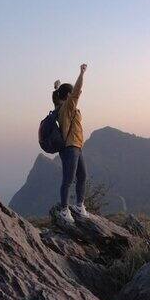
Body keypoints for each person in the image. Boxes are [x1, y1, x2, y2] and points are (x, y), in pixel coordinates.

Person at [53, 63, 89, 224]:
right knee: (68, 179)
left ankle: (79, 206)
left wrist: (57, 88)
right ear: (68, 96)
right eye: (72, 92)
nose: (77, 93)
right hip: (70, 147)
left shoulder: (61, 106)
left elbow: (57, 98)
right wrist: (81, 73)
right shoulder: (67, 107)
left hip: (77, 146)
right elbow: (77, 91)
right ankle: (64, 210)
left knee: (82, 176)